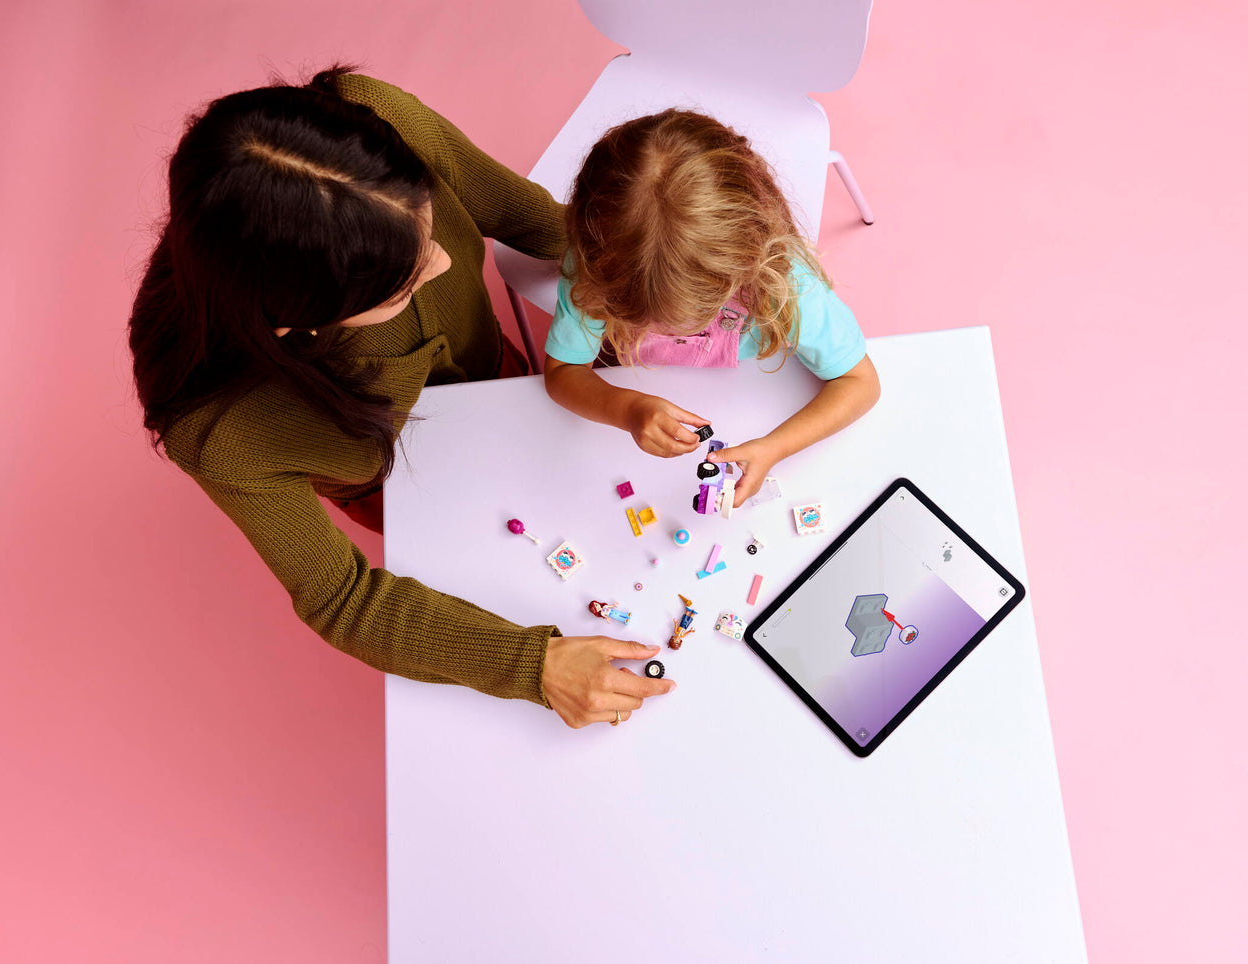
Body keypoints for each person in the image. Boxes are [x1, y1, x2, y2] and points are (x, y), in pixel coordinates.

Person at [127, 68, 673, 728]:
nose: (447, 263)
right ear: (297, 324)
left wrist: (649, 285)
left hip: (503, 382)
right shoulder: (218, 427)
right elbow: (342, 597)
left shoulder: (377, 118)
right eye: (401, 287)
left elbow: (523, 214)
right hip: (393, 487)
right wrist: (533, 666)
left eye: (430, 224)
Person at [543, 109, 880, 507]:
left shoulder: (786, 281)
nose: (673, 328)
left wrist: (775, 448)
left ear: (749, 256)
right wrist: (626, 408)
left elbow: (862, 384)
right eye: (641, 314)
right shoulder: (592, 270)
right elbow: (562, 372)